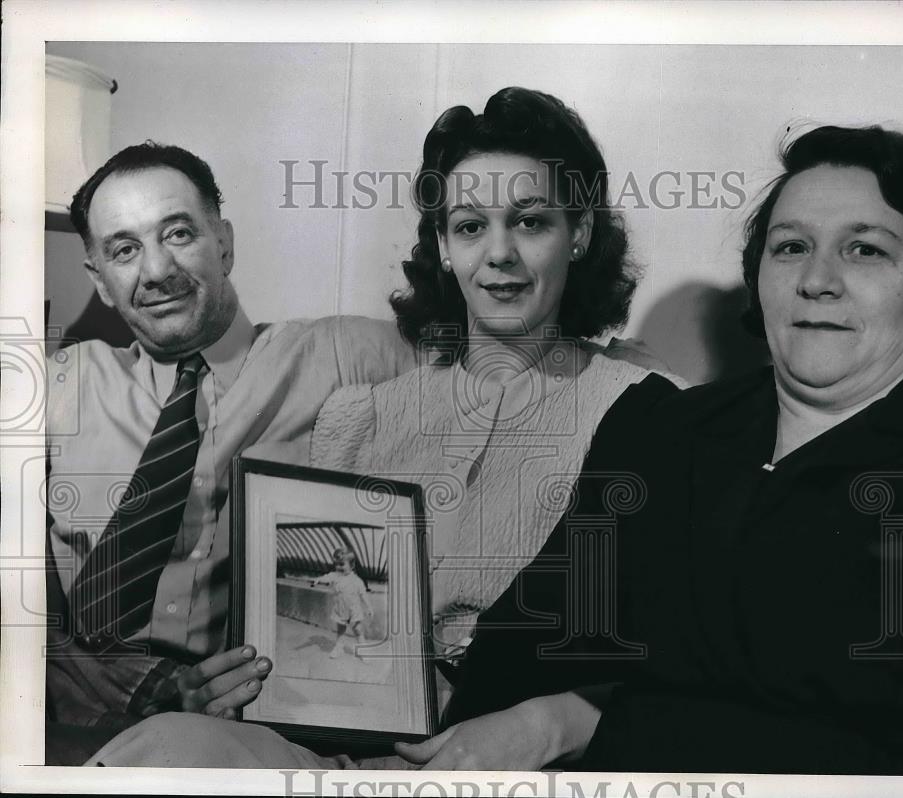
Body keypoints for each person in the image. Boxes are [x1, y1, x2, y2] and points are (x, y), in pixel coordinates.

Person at [84, 86, 681, 768]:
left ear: (578, 234)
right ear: (442, 245)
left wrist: (549, 724)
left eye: (531, 221)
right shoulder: (362, 415)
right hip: (351, 754)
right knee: (167, 748)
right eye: (469, 226)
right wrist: (246, 678)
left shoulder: (644, 409)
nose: (499, 254)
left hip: (534, 761)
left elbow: (684, 652)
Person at [442, 124, 903, 774]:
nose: (817, 279)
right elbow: (525, 643)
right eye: (791, 246)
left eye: (864, 249)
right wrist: (537, 719)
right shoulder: (660, 429)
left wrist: (574, 717)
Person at [45, 142, 417, 765]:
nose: (157, 269)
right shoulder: (60, 385)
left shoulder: (340, 355)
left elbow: (513, 361)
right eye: (125, 249)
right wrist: (105, 673)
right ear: (100, 282)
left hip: (243, 737)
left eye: (179, 233)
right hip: (73, 723)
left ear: (225, 244)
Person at [312, 550, 372, 659]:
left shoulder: (356, 580)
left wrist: (369, 607)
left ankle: (363, 650)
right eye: (336, 564)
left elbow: (363, 594)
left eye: (342, 564)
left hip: (354, 609)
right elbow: (326, 577)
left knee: (358, 630)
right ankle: (339, 647)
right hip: (340, 609)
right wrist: (318, 580)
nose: (338, 567)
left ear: (352, 565)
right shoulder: (334, 576)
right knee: (341, 630)